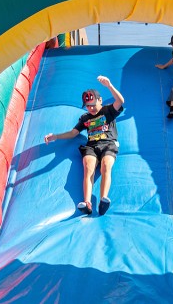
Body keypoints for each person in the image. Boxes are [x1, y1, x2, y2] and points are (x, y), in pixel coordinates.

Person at [44, 75, 125, 216]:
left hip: (108, 144)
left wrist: (109, 85)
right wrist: (56, 136)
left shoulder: (107, 111)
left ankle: (103, 200)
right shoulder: (85, 118)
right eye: (88, 106)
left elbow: (120, 100)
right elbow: (73, 133)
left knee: (106, 165)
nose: (91, 108)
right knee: (88, 168)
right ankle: (87, 203)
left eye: (93, 104)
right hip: (91, 147)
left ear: (100, 100)